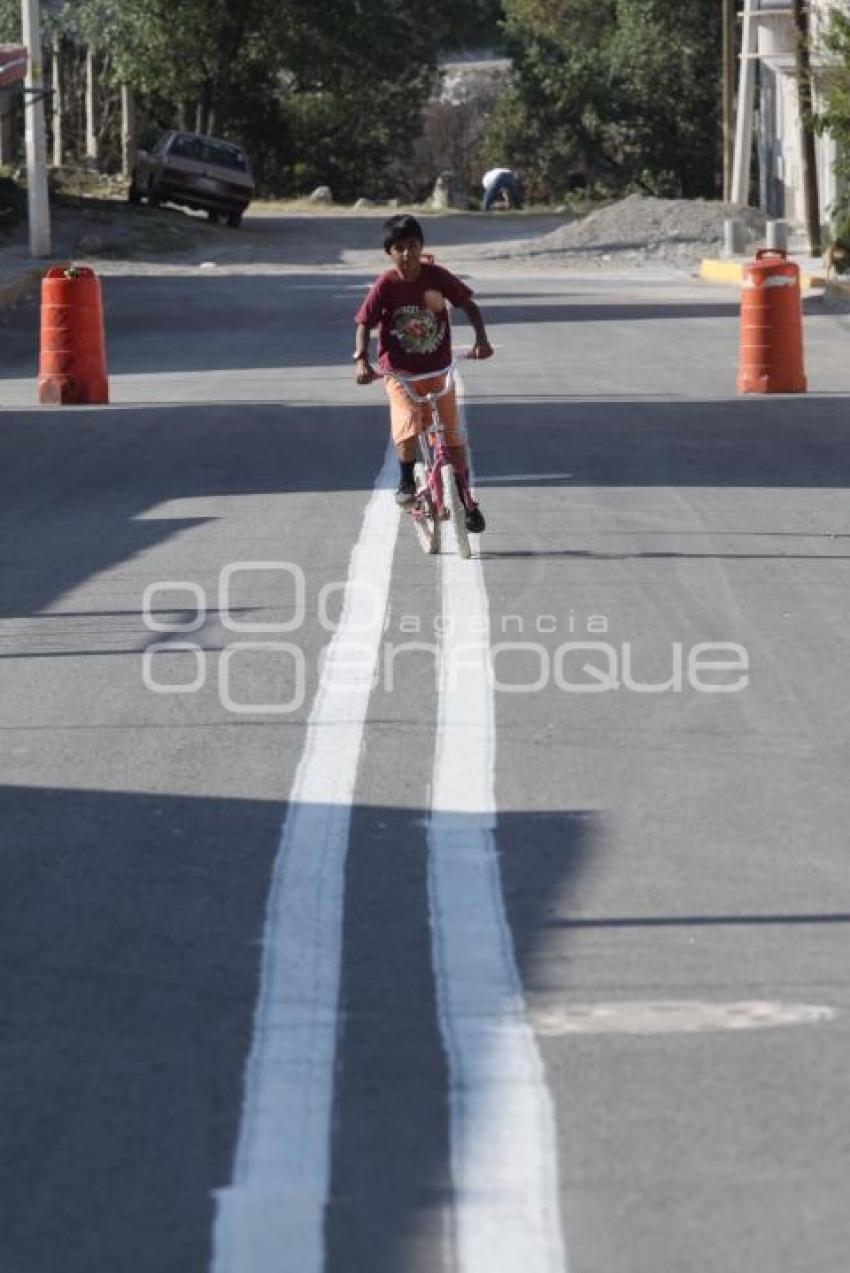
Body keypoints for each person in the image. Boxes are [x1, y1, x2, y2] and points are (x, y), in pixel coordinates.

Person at [353, 213, 493, 532]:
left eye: (412, 246)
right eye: (399, 248)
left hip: (439, 370)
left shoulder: (437, 276)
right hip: (400, 374)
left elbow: (469, 305)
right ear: (389, 252)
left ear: (422, 246)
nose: (407, 254)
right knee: (408, 425)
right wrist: (361, 359)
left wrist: (482, 341)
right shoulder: (386, 284)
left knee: (453, 436)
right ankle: (405, 482)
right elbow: (364, 322)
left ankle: (465, 499)